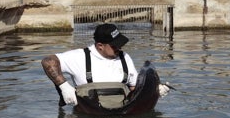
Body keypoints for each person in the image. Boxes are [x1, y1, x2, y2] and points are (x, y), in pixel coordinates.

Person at [42, 23, 170, 106]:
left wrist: (154, 91)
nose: (119, 48)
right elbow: (48, 61)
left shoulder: (125, 57)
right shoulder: (79, 57)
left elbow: (134, 89)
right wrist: (64, 87)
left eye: (120, 44)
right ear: (100, 46)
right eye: (115, 45)